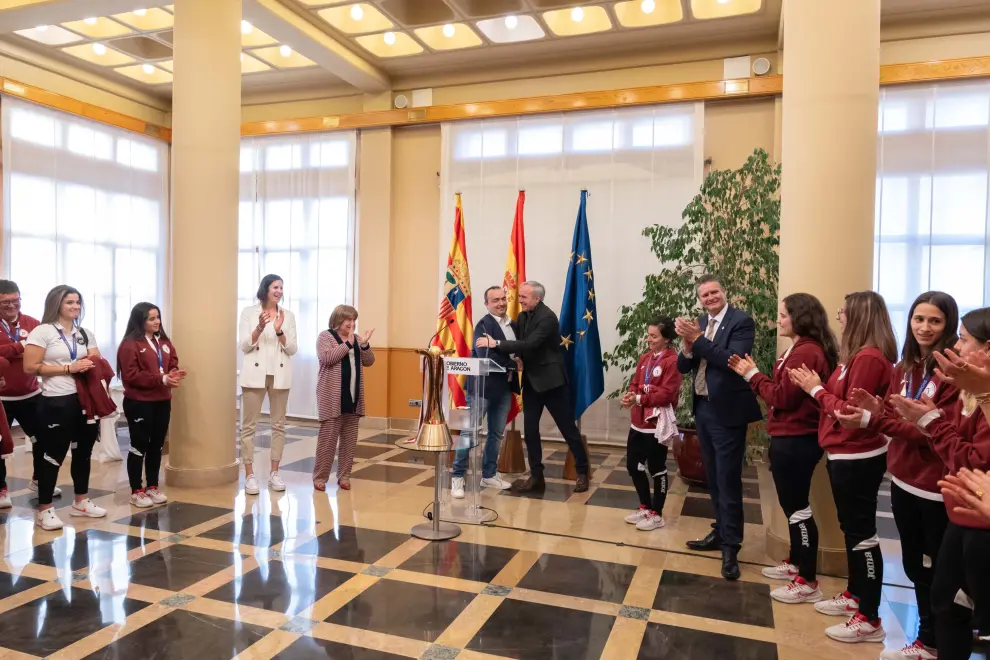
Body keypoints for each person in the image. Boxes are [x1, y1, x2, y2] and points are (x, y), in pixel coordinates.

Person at [834, 291, 960, 660]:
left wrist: (882, 419)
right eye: (919, 319)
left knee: (935, 569)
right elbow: (896, 417)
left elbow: (931, 431)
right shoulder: (906, 368)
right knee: (912, 564)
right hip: (903, 477)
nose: (924, 327)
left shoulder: (950, 374)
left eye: (934, 321)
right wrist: (880, 411)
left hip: (935, 484)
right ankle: (925, 637)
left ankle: (933, 640)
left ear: (948, 325)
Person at [789, 291, 897, 644]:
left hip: (857, 455)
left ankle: (869, 616)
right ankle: (855, 594)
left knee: (861, 533)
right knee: (852, 528)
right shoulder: (854, 357)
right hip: (843, 453)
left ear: (860, 317)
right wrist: (821, 390)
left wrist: (815, 389)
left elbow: (848, 413)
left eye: (844, 312)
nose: (839, 317)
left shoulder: (868, 358)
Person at [890, 309, 990, 660]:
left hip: (980, 523)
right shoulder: (969, 394)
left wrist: (930, 421)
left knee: (973, 614)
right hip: (961, 515)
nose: (957, 345)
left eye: (963, 338)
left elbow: (968, 461)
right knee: (946, 604)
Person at [729, 293, 837, 603]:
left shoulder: (807, 352)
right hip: (789, 437)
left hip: (797, 440)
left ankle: (807, 579)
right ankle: (794, 562)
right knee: (793, 508)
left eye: (784, 314)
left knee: (798, 509)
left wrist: (752, 375)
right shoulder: (799, 348)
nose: (779, 319)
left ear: (801, 317)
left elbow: (782, 398)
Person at [675, 274, 763, 580]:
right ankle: (720, 530)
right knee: (712, 478)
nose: (710, 298)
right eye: (705, 295)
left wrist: (697, 340)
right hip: (703, 409)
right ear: (699, 299)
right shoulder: (699, 322)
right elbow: (684, 367)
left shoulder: (741, 321)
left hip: (728, 412)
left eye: (714, 292)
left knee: (728, 479)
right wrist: (688, 346)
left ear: (724, 292)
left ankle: (731, 548)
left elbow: (732, 360)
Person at [476, 281, 590, 494]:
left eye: (524, 297)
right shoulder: (522, 316)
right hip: (530, 382)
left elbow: (530, 344)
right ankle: (536, 476)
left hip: (552, 383)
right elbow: (518, 342)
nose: (519, 300)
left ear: (537, 298)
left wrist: (496, 344)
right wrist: (515, 356)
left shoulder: (548, 317)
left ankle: (583, 473)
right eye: (519, 296)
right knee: (530, 432)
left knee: (568, 429)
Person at [23, 285, 108, 531]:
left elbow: (95, 359)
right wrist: (67, 368)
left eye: (78, 302)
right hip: (56, 399)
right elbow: (30, 366)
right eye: (70, 302)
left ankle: (81, 501)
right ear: (57, 304)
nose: (75, 307)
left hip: (85, 399)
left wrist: (94, 364)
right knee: (54, 455)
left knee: (83, 452)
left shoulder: (84, 333)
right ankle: (45, 509)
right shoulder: (43, 331)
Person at [117, 303, 186, 508]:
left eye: (158, 317)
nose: (156, 322)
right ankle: (136, 490)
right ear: (140, 321)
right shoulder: (130, 344)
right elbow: (131, 376)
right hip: (139, 403)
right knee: (139, 446)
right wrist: (161, 379)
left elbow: (172, 361)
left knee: (156, 445)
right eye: (151, 318)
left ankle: (152, 486)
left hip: (162, 401)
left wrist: (172, 372)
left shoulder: (163, 341)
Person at [452, 286, 517, 498]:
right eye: (495, 300)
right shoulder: (483, 324)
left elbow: (513, 348)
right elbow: (485, 355)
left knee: (496, 434)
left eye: (503, 299)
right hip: (482, 389)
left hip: (504, 389)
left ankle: (489, 474)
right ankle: (457, 477)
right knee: (469, 433)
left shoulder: (512, 325)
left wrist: (508, 357)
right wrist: (513, 363)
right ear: (487, 304)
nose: (501, 303)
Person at [620, 316, 682, 531]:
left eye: (654, 336)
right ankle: (645, 507)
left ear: (666, 338)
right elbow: (637, 384)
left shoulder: (672, 361)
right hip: (638, 422)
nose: (649, 339)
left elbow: (666, 395)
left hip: (657, 424)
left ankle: (657, 514)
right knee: (633, 466)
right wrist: (630, 396)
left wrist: (641, 398)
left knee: (656, 468)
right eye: (648, 335)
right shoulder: (646, 358)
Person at [238, 274, 298, 496]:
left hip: (280, 375)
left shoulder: (288, 316)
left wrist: (280, 330)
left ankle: (274, 473)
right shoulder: (248, 313)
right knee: (249, 426)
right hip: (255, 374)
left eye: (282, 287)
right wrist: (260, 328)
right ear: (265, 289)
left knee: (279, 425)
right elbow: (244, 345)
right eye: (275, 287)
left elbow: (292, 349)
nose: (279, 291)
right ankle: (250, 474)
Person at [0, 280, 56, 504]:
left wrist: (11, 352)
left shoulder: (33, 323)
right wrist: (21, 347)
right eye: (5, 302)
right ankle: (1, 488)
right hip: (2, 397)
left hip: (31, 394)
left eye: (15, 300)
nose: (12, 306)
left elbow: (43, 352)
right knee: (1, 444)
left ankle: (40, 479)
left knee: (43, 439)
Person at [314, 305, 375, 492]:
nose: (351, 323)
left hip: (353, 396)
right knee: (328, 440)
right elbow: (327, 358)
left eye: (354, 320)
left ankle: (345, 476)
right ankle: (320, 477)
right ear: (338, 320)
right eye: (348, 319)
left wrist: (363, 345)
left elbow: (369, 361)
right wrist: (348, 344)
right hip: (331, 397)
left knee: (349, 439)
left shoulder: (356, 339)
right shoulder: (325, 337)